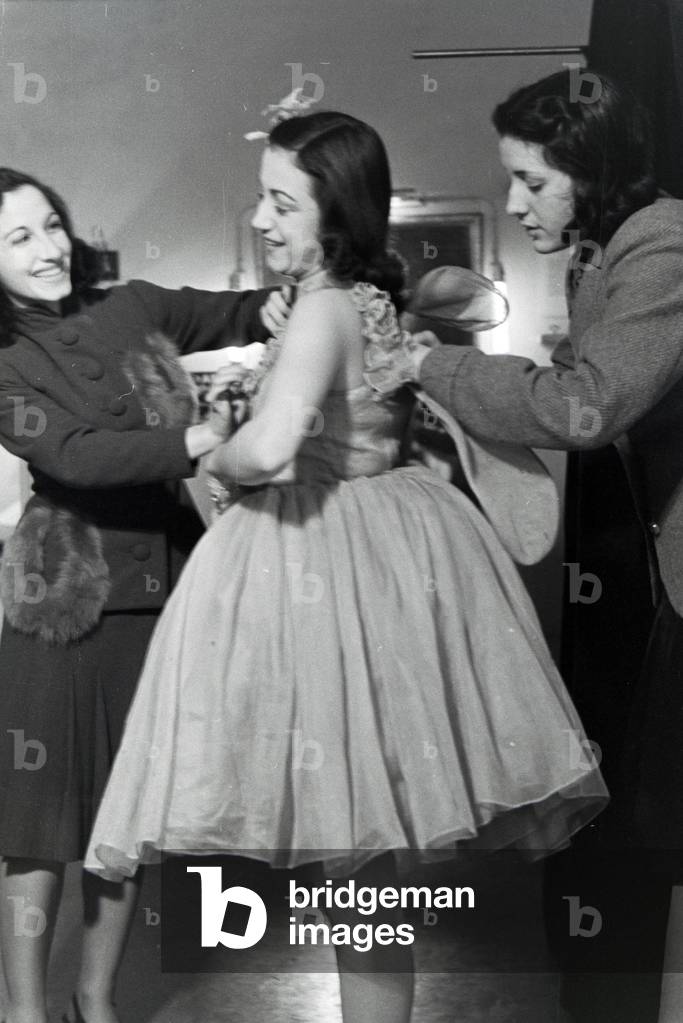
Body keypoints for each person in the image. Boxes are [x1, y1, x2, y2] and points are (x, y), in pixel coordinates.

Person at [84, 111, 607, 1023]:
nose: (260, 219)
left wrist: (208, 447)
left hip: (321, 560)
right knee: (363, 855)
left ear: (334, 215)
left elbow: (272, 448)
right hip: (387, 553)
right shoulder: (360, 301)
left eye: (280, 203)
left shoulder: (327, 305)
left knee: (353, 847)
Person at [387, 69, 683, 1022]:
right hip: (635, 579)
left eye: (532, 182)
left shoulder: (664, 244)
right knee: (626, 823)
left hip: (665, 579)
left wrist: (431, 363)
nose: (515, 204)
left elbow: (583, 405)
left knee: (641, 825)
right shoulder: (604, 253)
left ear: (591, 174)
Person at [0, 167, 289, 1023]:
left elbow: (233, 312)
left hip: (165, 595)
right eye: (19, 238)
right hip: (62, 604)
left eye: (51, 224)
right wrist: (202, 437)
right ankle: (20, 1010)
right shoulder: (4, 366)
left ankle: (94, 1000)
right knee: (38, 828)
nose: (49, 248)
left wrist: (274, 309)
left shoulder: (134, 303)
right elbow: (79, 456)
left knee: (123, 823)